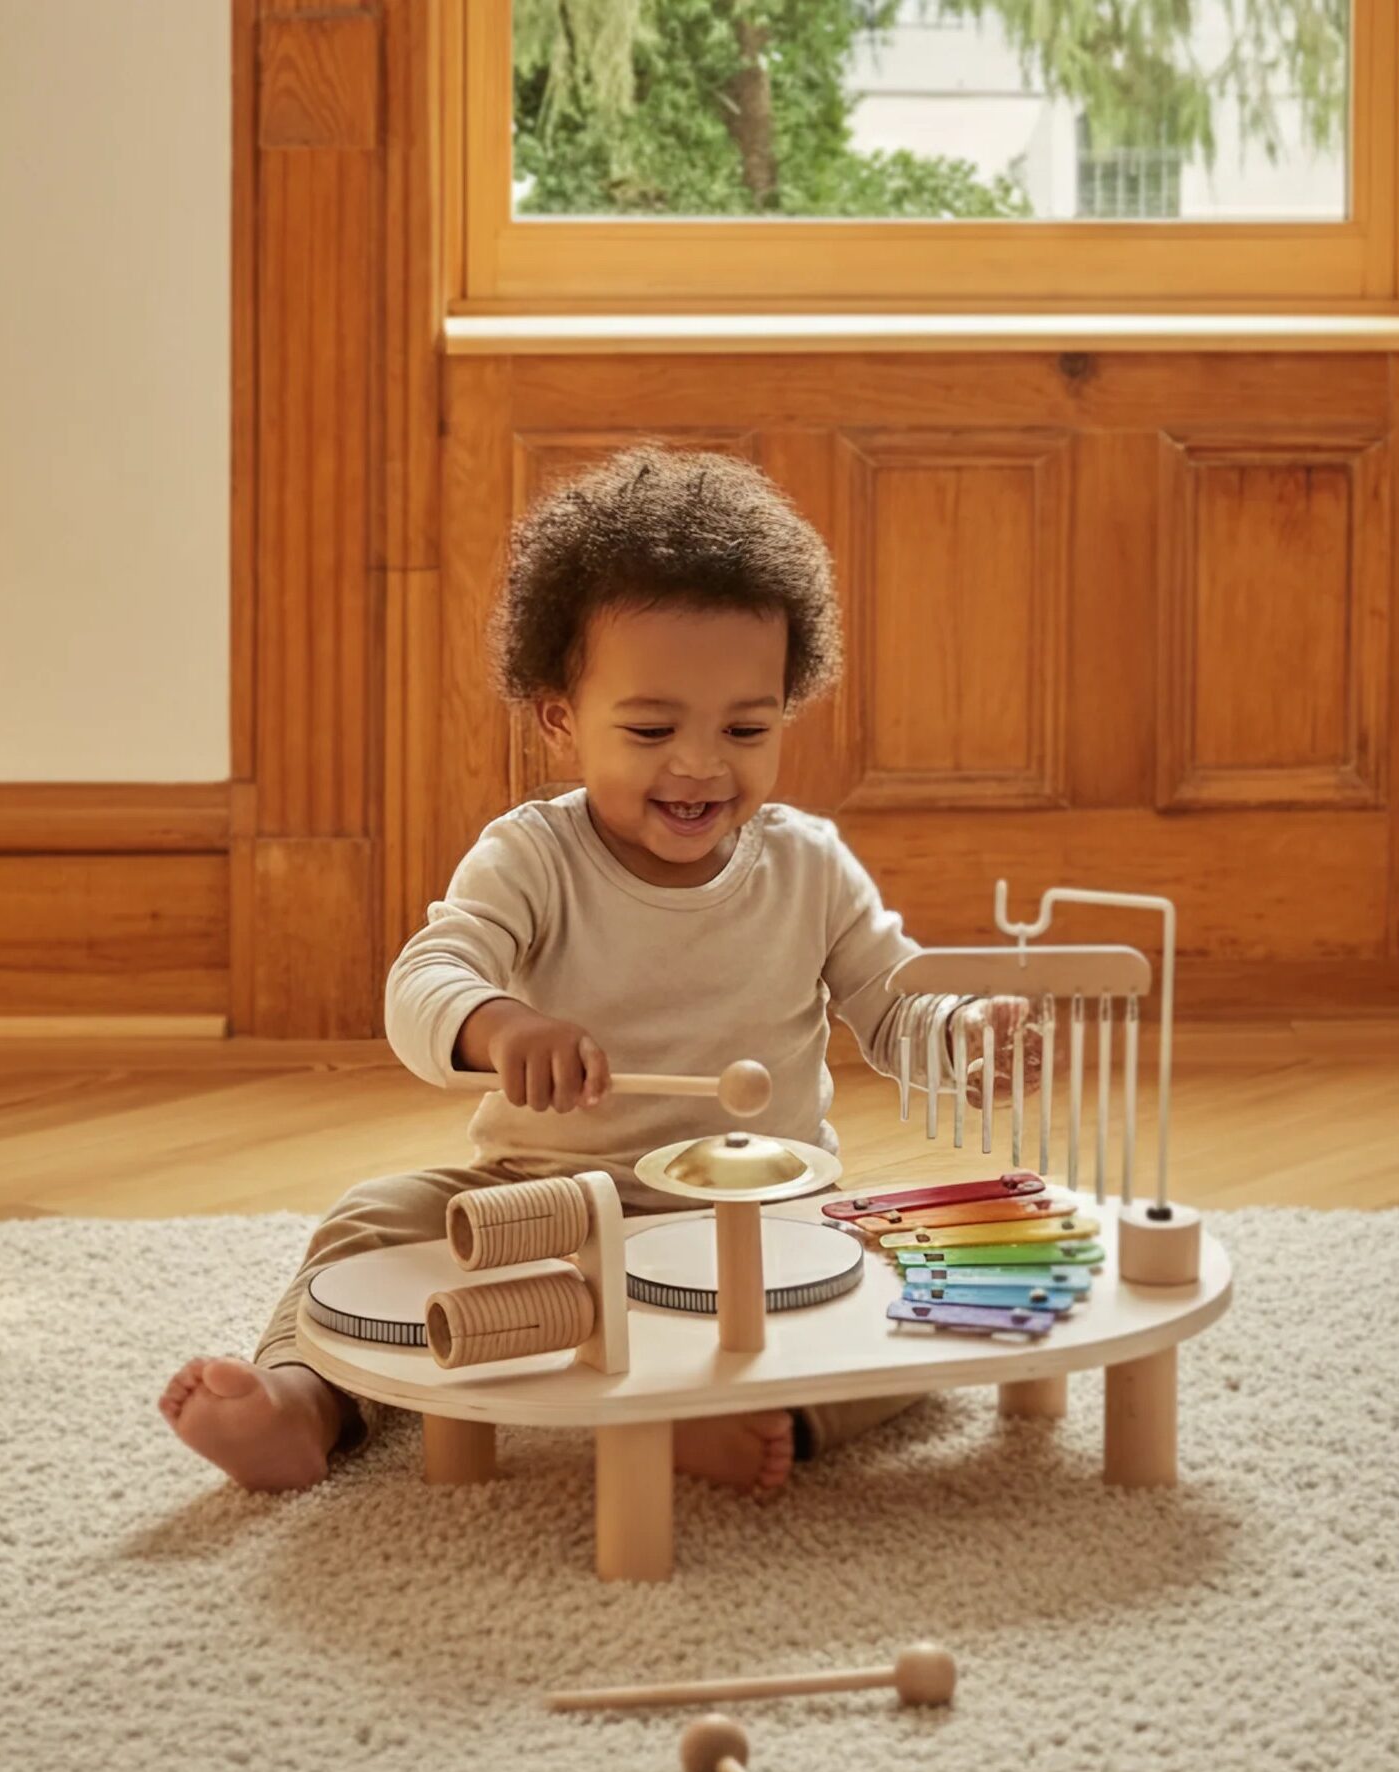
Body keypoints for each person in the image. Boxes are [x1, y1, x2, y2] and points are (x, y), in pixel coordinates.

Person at [161, 445, 1027, 1497]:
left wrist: (964, 1036)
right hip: (542, 1211)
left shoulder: (810, 864)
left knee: (918, 1284)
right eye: (652, 728)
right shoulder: (532, 857)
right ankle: (306, 1401)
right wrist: (499, 1025)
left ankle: (765, 1419)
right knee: (374, 1218)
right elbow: (427, 976)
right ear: (561, 719)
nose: (700, 763)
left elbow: (896, 1005)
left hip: (764, 1223)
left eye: (746, 727)